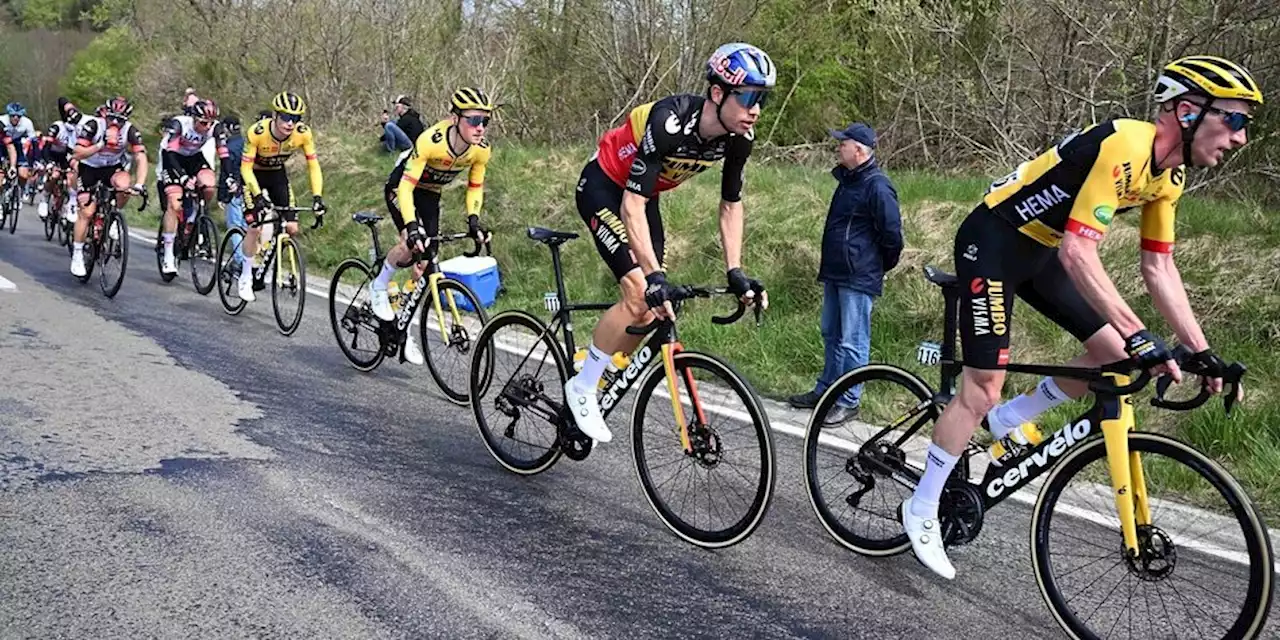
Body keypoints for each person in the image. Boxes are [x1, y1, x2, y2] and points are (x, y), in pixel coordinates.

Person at [902, 55, 1262, 580]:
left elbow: (1159, 265)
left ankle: (1009, 420)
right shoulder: (1124, 145)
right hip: (994, 240)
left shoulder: (1170, 174)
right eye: (1233, 119)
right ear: (1187, 111)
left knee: (1112, 352)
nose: (1241, 137)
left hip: (1042, 252)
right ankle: (922, 507)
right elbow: (1080, 253)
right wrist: (1142, 334)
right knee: (981, 388)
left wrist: (1202, 351)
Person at [563, 42, 774, 443]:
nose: (756, 109)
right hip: (606, 187)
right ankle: (583, 385)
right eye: (748, 96)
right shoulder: (669, 121)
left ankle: (597, 356)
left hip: (646, 197)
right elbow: (631, 205)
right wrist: (654, 274)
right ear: (718, 93)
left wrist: (735, 270)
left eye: (762, 98)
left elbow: (731, 205)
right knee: (640, 292)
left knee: (652, 311)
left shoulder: (739, 138)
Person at [787, 123, 902, 425]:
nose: (838, 147)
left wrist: (875, 267)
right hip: (836, 271)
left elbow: (892, 236)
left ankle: (849, 401)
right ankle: (826, 392)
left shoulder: (878, 185)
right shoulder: (848, 181)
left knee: (853, 340)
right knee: (831, 333)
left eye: (843, 143)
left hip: (859, 275)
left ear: (860, 150)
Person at [375, 88, 494, 365]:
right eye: (474, 120)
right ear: (455, 118)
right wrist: (412, 226)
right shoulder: (430, 141)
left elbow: (475, 187)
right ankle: (379, 285)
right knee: (410, 246)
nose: (480, 128)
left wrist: (473, 220)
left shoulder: (481, 150)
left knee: (427, 262)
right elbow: (405, 188)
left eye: (485, 121)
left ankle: (401, 324)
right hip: (402, 187)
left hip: (430, 193)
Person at [237, 91, 326, 302]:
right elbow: (245, 169)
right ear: (275, 116)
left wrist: (317, 197)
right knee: (255, 227)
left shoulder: (303, 134)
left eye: (295, 119)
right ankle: (246, 275)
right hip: (254, 176)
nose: (289, 123)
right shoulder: (257, 132)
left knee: (292, 227)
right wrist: (257, 196)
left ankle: (268, 256)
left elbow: (313, 166)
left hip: (277, 175)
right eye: (285, 117)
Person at [70, 96, 148, 277]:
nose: (114, 122)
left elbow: (141, 157)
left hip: (111, 167)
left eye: (120, 120)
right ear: (105, 115)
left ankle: (113, 217)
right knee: (87, 212)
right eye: (111, 117)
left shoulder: (130, 131)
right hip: (89, 167)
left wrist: (140, 184)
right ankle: (78, 253)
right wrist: (100, 145)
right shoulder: (94, 125)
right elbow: (77, 153)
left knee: (124, 185)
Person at [157, 99, 228, 274]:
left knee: (209, 185)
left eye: (210, 123)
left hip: (194, 158)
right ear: (194, 118)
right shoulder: (180, 124)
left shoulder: (215, 128)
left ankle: (194, 217)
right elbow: (171, 153)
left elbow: (224, 156)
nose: (207, 126)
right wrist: (182, 178)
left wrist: (230, 179)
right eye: (203, 122)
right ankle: (167, 256)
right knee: (174, 204)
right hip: (172, 159)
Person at [39, 98, 83, 223]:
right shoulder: (57, 127)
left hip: (67, 156)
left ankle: (71, 204)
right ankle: (45, 198)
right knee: (54, 175)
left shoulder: (79, 129)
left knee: (71, 178)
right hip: (52, 154)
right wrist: (48, 162)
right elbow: (46, 145)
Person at [218, 115, 247, 272]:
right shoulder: (246, 143)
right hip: (249, 188)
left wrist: (222, 195)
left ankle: (239, 260)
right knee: (247, 226)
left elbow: (225, 172)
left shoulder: (228, 148)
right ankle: (249, 258)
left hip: (234, 189)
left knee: (235, 225)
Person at [4, 103, 39, 204]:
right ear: (8, 115)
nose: (15, 118)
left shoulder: (27, 123)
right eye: (12, 116)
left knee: (23, 175)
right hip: (2, 145)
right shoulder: (2, 120)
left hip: (17, 146)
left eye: (18, 116)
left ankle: (18, 191)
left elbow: (34, 142)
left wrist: (36, 159)